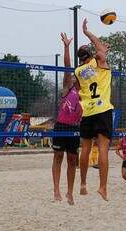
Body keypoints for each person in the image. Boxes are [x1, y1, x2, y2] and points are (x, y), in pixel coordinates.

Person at [75, 18, 113, 201]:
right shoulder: (99, 63)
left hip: (87, 112)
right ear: (91, 55)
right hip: (103, 109)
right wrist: (87, 33)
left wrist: (101, 50)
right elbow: (99, 46)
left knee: (85, 149)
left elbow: (76, 89)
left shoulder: (78, 71)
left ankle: (82, 184)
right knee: (103, 149)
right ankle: (103, 188)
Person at [51, 33, 82, 205]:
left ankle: (70, 192)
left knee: (72, 161)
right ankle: (56, 190)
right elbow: (67, 66)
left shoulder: (86, 94)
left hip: (74, 129)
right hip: (61, 127)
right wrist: (67, 46)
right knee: (58, 158)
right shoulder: (68, 87)